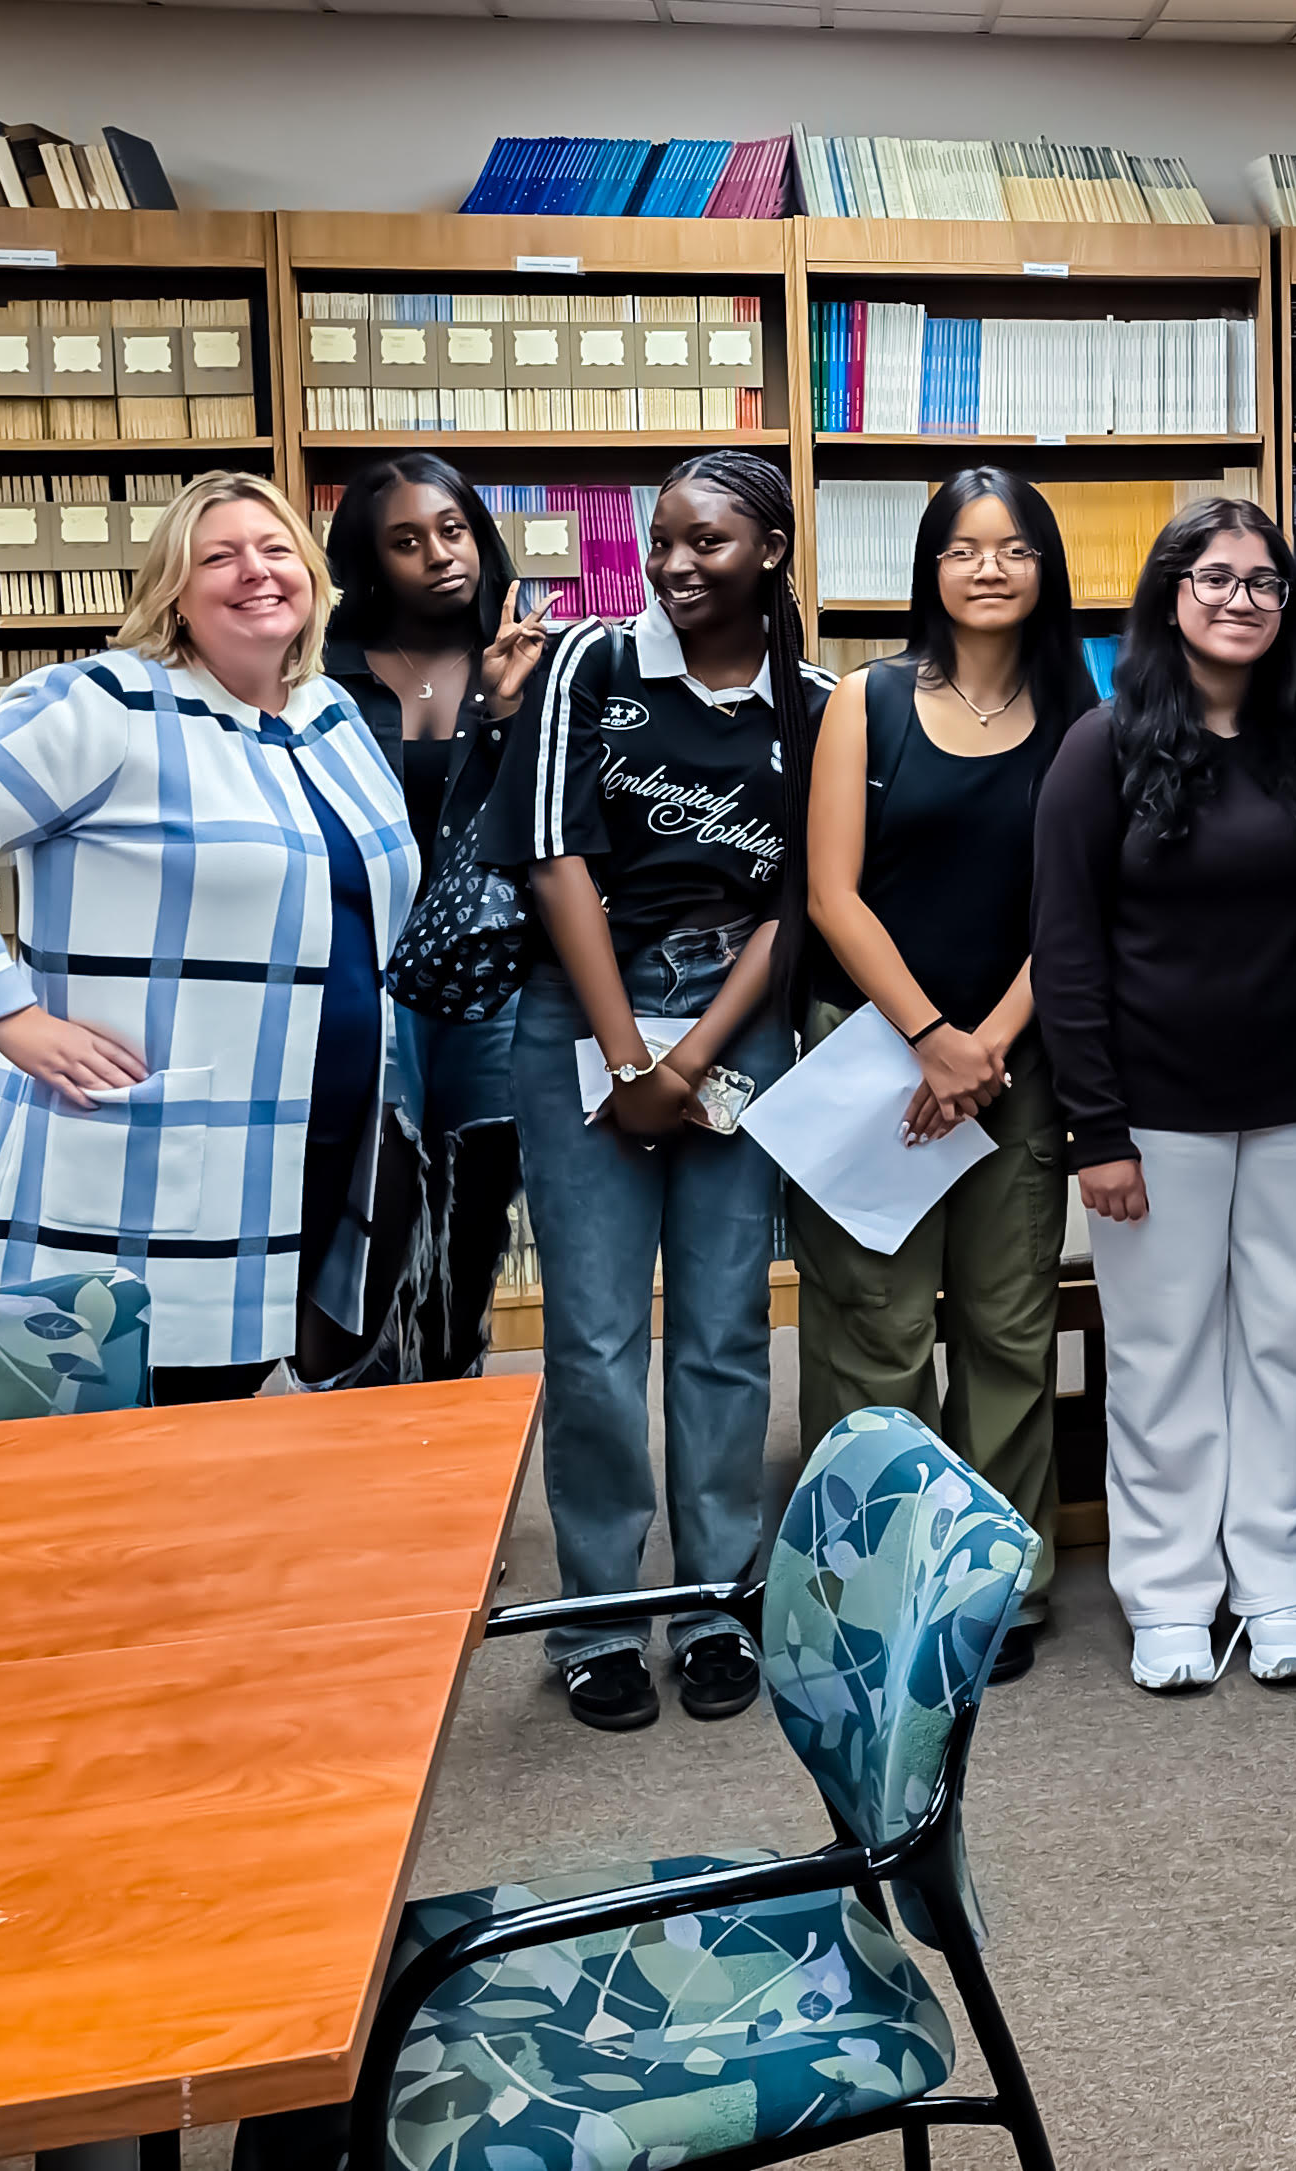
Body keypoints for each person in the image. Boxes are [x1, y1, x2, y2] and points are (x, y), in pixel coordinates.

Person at [0, 473, 415, 1401]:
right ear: (174, 594)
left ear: (312, 574)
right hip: (160, 1141)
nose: (256, 572)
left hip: (325, 1137)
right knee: (140, 1414)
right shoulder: (107, 706)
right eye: (219, 556)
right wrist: (8, 1015)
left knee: (257, 1412)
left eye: (276, 551)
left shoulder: (331, 716)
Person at [484, 449, 824, 1735]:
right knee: (595, 1337)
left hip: (740, 1029)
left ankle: (714, 1596)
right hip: (586, 1012)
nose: (678, 564)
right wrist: (630, 1059)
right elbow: (553, 859)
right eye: (664, 540)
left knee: (730, 1331)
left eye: (711, 542)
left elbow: (802, 902)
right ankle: (595, 1618)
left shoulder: (818, 701)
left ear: (772, 552)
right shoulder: (590, 666)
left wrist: (690, 1061)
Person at [1032, 499, 1296, 1693]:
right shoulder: (1102, 741)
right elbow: (1066, 950)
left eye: (1265, 582)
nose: (1241, 600)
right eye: (1216, 577)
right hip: (1154, 1113)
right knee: (1163, 1353)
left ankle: (1276, 1581)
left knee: (1290, 1348)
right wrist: (1095, 1128)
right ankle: (1170, 1593)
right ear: (1170, 592)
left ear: (1290, 606)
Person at [797, 465, 1099, 1688]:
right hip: (873, 1051)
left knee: (1008, 1326)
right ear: (930, 568)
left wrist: (987, 1045)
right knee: (873, 1324)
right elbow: (830, 890)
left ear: (1045, 570)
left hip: (1014, 1059)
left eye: (1014, 547)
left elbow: (1076, 904)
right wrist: (930, 1034)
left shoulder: (1084, 715)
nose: (989, 567)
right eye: (964, 547)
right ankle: (874, 1582)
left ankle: (995, 1584)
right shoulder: (865, 701)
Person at [321, 454, 551, 1383]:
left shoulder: (537, 654)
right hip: (363, 967)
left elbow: (546, 817)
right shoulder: (321, 668)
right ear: (372, 561)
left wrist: (501, 710)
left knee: (476, 1196)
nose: (439, 556)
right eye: (407, 541)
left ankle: (452, 1379)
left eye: (452, 531)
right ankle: (366, 1397)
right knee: (376, 1193)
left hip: (487, 969)